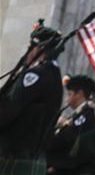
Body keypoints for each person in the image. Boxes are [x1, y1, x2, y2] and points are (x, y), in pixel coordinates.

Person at [0, 22, 64, 175]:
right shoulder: (55, 77)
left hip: (13, 154)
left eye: (31, 48)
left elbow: (9, 111)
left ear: (39, 49)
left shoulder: (35, 75)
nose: (28, 53)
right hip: (31, 157)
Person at [46, 74, 95, 175]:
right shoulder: (80, 114)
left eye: (69, 94)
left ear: (79, 94)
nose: (66, 99)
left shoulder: (86, 115)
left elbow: (69, 139)